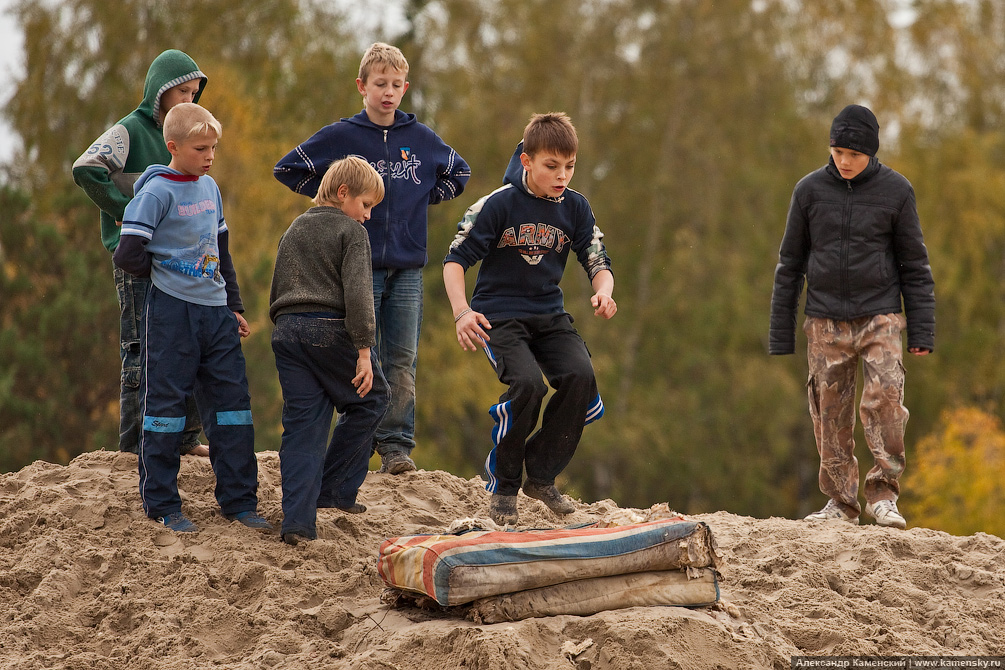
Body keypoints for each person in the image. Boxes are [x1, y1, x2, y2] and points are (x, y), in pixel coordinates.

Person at [273, 42, 470, 476]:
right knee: (363, 354)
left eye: (397, 84)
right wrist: (331, 204)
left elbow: (460, 172)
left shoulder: (420, 139)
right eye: (380, 83)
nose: (388, 92)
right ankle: (357, 443)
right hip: (356, 266)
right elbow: (288, 168)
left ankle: (396, 446)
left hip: (408, 267)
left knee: (402, 358)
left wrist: (422, 199)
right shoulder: (342, 136)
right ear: (362, 86)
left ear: (405, 88)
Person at [442, 112, 616, 526]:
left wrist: (604, 291)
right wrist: (461, 313)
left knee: (580, 376)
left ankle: (539, 476)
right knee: (527, 386)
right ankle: (503, 484)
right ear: (527, 161)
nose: (562, 176)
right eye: (551, 166)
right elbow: (454, 261)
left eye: (569, 167)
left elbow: (597, 258)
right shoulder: (497, 204)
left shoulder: (576, 207)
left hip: (549, 316)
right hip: (498, 318)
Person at [769, 104, 935, 530]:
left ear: (871, 154)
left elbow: (915, 265)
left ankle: (883, 494)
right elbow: (790, 264)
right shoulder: (808, 192)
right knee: (830, 415)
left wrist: (922, 330)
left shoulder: (897, 191)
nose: (844, 161)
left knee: (885, 402)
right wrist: (780, 332)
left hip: (880, 315)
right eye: (838, 151)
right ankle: (841, 503)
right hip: (825, 320)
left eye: (854, 155)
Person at [112, 102, 271, 534]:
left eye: (214, 147)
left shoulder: (211, 188)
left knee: (233, 408)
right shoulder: (156, 191)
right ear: (173, 146)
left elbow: (222, 251)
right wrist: (165, 272)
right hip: (171, 314)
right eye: (201, 148)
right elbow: (127, 253)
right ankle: (162, 505)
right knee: (165, 411)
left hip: (215, 312)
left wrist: (234, 306)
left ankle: (239, 502)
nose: (209, 156)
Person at [73, 49, 210, 458]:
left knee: (190, 346)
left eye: (193, 93)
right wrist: (124, 211)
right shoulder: (129, 130)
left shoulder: (189, 137)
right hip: (137, 261)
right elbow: (86, 168)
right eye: (181, 91)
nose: (188, 99)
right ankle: (132, 447)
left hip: (180, 261)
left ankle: (185, 438)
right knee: (141, 349)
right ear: (160, 90)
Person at [269, 157, 390, 546]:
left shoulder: (295, 227)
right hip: (329, 330)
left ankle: (298, 524)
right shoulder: (351, 232)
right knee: (373, 398)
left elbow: (278, 286)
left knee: (304, 427)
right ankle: (334, 491)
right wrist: (364, 350)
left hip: (287, 333)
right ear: (343, 194)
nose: (368, 216)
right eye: (366, 205)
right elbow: (359, 294)